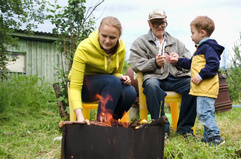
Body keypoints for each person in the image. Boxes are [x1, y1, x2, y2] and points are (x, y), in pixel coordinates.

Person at [129, 9, 197, 138]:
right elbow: (134, 63)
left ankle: (185, 129)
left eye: (163, 23)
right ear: (149, 24)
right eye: (156, 23)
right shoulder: (140, 42)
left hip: (175, 77)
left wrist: (179, 60)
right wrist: (153, 63)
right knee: (152, 86)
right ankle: (161, 129)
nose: (160, 26)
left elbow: (190, 62)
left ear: (166, 22)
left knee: (192, 85)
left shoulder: (176, 42)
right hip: (154, 78)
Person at [168, 16, 225, 146]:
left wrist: (200, 75)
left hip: (206, 89)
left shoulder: (208, 47)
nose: (191, 36)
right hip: (201, 90)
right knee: (204, 113)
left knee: (204, 113)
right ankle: (207, 138)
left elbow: (213, 66)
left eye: (192, 33)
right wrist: (178, 60)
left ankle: (215, 137)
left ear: (202, 32)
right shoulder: (201, 48)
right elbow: (191, 63)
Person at [69, 16, 137, 122]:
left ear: (119, 36)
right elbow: (74, 87)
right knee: (112, 81)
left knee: (130, 92)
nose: (107, 41)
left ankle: (111, 124)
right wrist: (80, 117)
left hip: (109, 85)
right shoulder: (84, 48)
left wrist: (121, 77)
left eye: (112, 38)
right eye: (104, 36)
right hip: (84, 88)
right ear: (99, 32)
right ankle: (101, 125)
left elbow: (116, 72)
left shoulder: (121, 49)